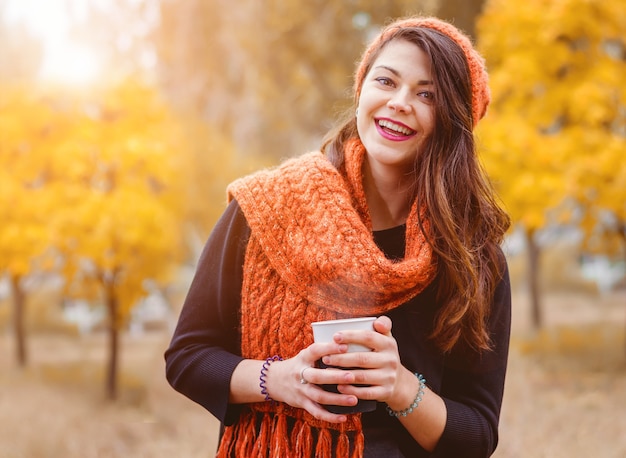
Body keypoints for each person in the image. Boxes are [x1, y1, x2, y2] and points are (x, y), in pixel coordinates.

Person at [165, 15, 511, 458]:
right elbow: (189, 358)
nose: (400, 102)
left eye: (428, 94)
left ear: (455, 120)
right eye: (386, 81)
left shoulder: (471, 256)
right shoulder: (266, 209)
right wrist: (279, 380)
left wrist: (402, 387)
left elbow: (477, 436)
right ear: (362, 88)